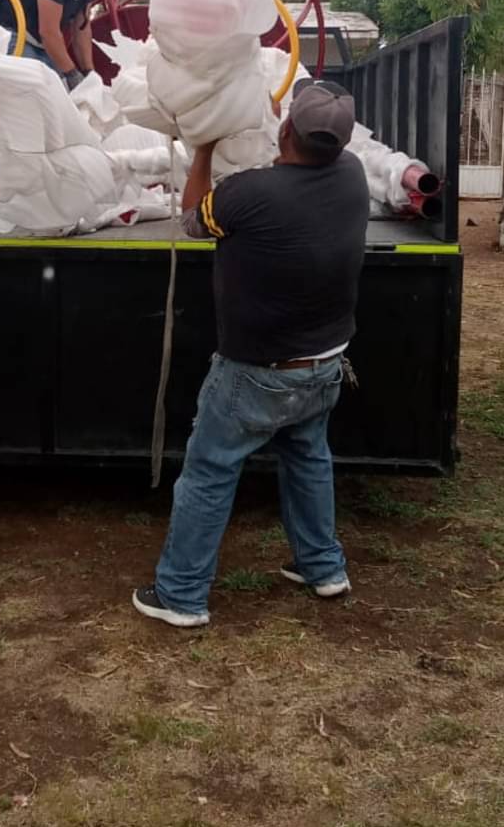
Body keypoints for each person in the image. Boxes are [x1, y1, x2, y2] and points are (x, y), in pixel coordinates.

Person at [132, 81, 370, 628]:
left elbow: (192, 221)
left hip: (256, 373)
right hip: (324, 364)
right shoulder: (353, 175)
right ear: (342, 142)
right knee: (308, 460)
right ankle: (323, 568)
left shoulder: (249, 193)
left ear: (285, 131)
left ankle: (181, 594)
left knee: (209, 474)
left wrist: (203, 149)